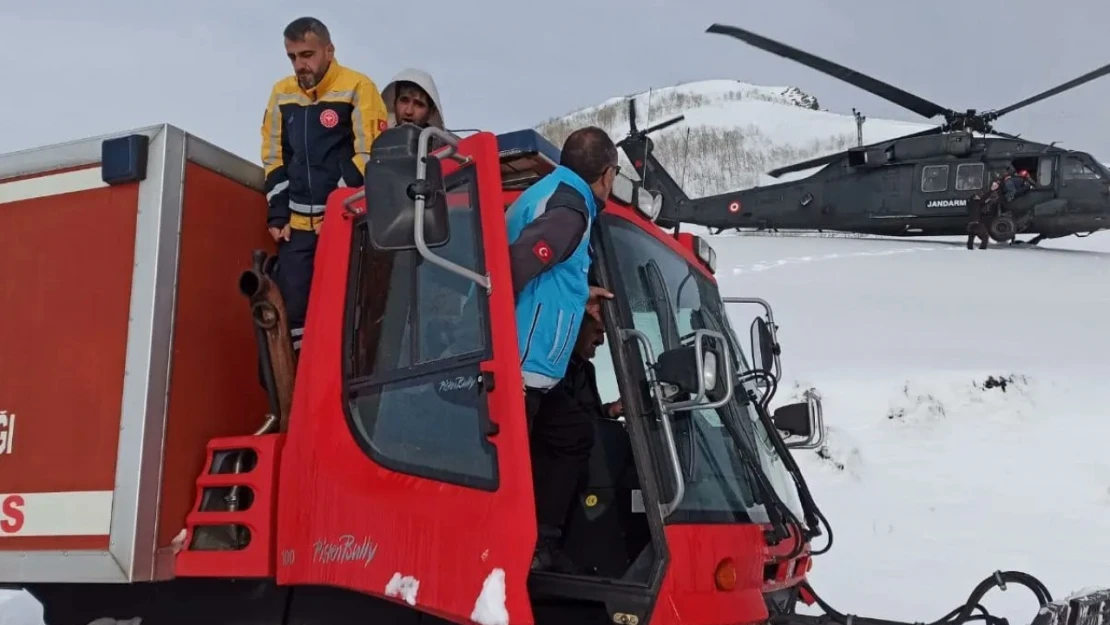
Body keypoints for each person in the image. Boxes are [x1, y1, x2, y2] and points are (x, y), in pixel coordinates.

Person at [260, 16, 389, 354]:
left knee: (347, 311)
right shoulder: (281, 94)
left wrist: (338, 206)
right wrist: (277, 212)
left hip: (347, 222)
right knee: (294, 316)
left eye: (307, 55)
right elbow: (273, 156)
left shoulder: (359, 87)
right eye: (293, 57)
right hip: (298, 228)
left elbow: (370, 154)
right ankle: (300, 393)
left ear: (329, 50)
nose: (300, 65)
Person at [504, 126, 619, 425]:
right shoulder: (569, 212)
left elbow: (546, 273)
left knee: (573, 436)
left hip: (530, 373)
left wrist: (581, 292)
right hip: (519, 374)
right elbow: (508, 270)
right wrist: (504, 365)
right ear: (607, 174)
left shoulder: (556, 194)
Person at [530, 309, 623, 572]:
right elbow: (566, 425)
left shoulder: (586, 370)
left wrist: (608, 412)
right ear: (576, 327)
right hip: (554, 464)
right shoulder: (552, 371)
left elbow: (585, 416)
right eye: (597, 331)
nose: (601, 341)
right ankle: (546, 540)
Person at [380, 69, 446, 130]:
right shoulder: (380, 140)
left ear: (431, 112)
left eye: (419, 104)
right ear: (394, 103)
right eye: (404, 101)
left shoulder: (444, 142)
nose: (409, 111)